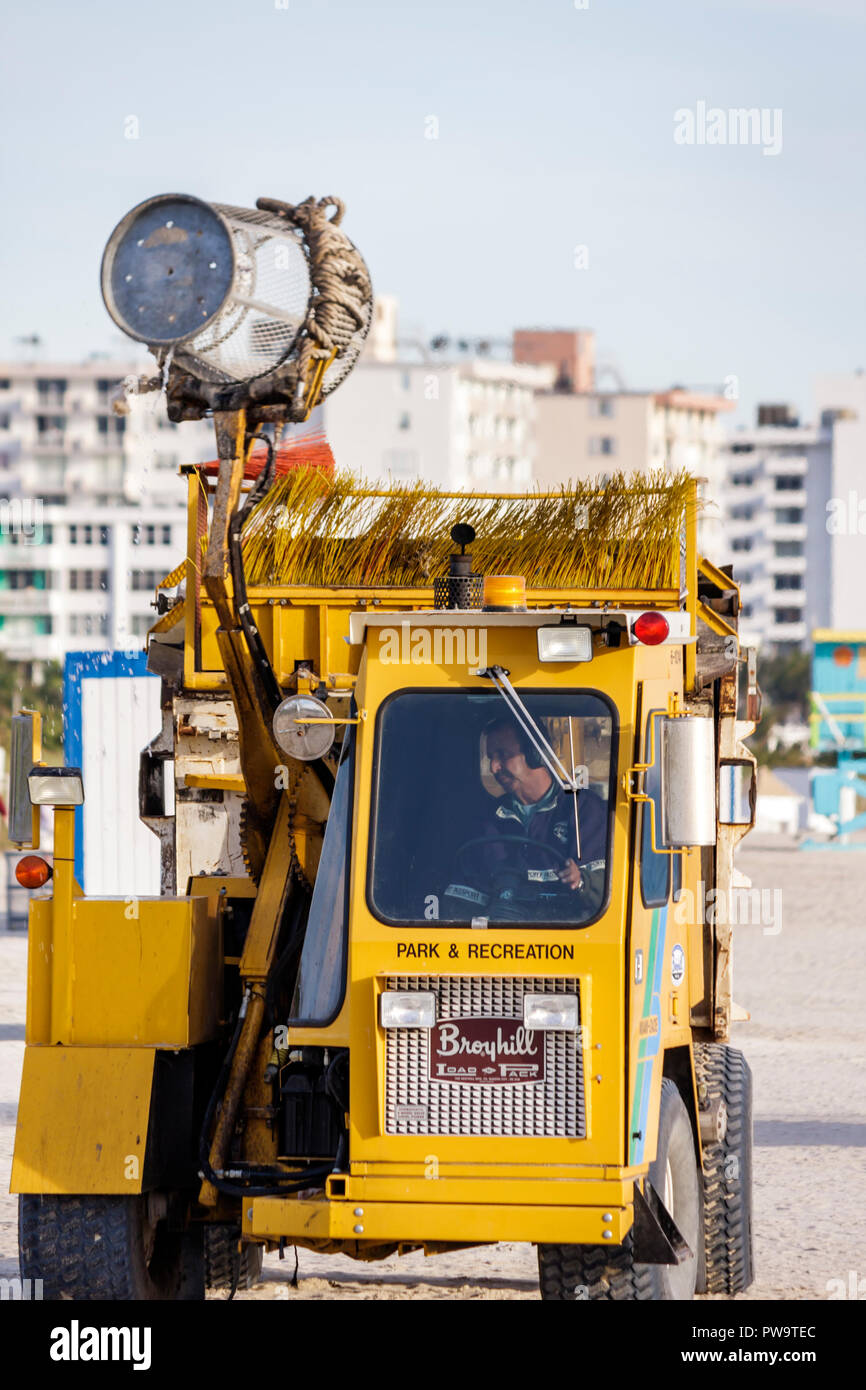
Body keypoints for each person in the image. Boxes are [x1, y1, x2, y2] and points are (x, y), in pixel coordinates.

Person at [446, 716, 608, 922]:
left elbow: (608, 889)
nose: (494, 767)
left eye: (503, 755)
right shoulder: (489, 819)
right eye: (491, 758)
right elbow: (462, 899)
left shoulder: (583, 809)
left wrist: (581, 881)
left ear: (535, 754)